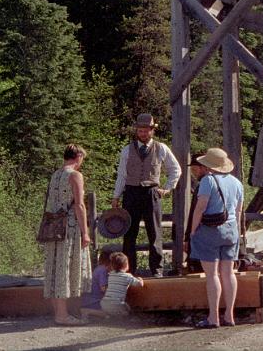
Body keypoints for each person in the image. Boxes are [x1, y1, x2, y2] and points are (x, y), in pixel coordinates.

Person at [112, 113, 182, 277]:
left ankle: (157, 270)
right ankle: (128, 270)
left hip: (151, 192)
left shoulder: (161, 148)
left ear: (152, 131)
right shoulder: (127, 150)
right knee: (129, 233)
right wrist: (116, 196)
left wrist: (167, 188)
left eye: (146, 131)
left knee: (154, 232)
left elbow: (175, 169)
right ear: (136, 131)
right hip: (131, 193)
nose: (143, 134)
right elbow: (122, 175)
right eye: (140, 131)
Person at [189, 148, 243, 328]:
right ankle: (230, 315)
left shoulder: (208, 181)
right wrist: (237, 232)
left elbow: (200, 207)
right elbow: (238, 212)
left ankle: (214, 317)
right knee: (228, 273)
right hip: (231, 230)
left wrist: (192, 230)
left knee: (212, 275)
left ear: (208, 165)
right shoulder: (237, 183)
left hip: (210, 231)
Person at [42, 144, 92, 326]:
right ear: (78, 156)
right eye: (82, 158)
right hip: (69, 226)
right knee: (64, 267)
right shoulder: (75, 175)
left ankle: (59, 313)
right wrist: (85, 232)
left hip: (53, 225)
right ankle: (62, 316)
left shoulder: (55, 175)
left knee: (55, 267)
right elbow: (79, 205)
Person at [99, 252, 143, 316]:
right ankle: (121, 317)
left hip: (104, 304)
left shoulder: (110, 275)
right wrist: (140, 279)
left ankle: (110, 316)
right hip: (117, 304)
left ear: (112, 266)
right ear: (126, 265)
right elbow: (140, 284)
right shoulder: (127, 276)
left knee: (116, 309)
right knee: (127, 309)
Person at [79, 247, 113, 320]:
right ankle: (88, 311)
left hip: (89, 299)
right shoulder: (103, 270)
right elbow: (103, 289)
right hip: (95, 300)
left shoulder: (98, 268)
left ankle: (91, 312)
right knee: (111, 312)